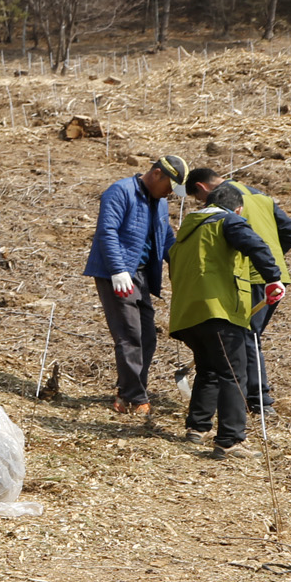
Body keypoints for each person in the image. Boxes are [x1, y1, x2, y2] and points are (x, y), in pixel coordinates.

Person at [170, 182, 287, 459]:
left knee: (209, 368)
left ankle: (197, 428)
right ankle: (230, 440)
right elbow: (256, 244)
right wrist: (272, 278)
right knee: (234, 373)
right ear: (237, 208)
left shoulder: (186, 232)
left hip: (188, 314)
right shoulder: (228, 220)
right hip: (218, 309)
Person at [186, 168, 291, 415]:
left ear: (202, 188)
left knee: (247, 335)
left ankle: (259, 400)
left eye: (199, 199)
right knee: (249, 335)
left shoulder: (221, 200)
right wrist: (273, 260)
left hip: (249, 276)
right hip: (275, 275)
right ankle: (252, 398)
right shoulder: (259, 196)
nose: (202, 205)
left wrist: (259, 261)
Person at [84, 155, 188, 417]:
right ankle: (134, 396)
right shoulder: (120, 192)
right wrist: (118, 270)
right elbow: (107, 231)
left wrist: (183, 265)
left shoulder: (160, 202)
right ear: (156, 174)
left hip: (141, 275)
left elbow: (165, 239)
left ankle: (127, 390)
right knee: (129, 335)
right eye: (169, 187)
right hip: (117, 274)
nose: (170, 194)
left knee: (147, 337)